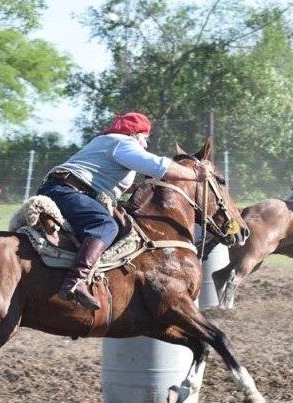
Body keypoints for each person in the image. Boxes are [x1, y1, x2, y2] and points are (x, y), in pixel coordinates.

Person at [38, 112, 214, 310]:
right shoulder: (122, 143)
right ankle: (76, 280)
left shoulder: (105, 142)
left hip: (63, 188)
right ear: (135, 133)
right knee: (104, 226)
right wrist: (195, 174)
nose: (146, 145)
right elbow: (157, 165)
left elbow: (102, 177)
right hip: (67, 191)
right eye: (145, 139)